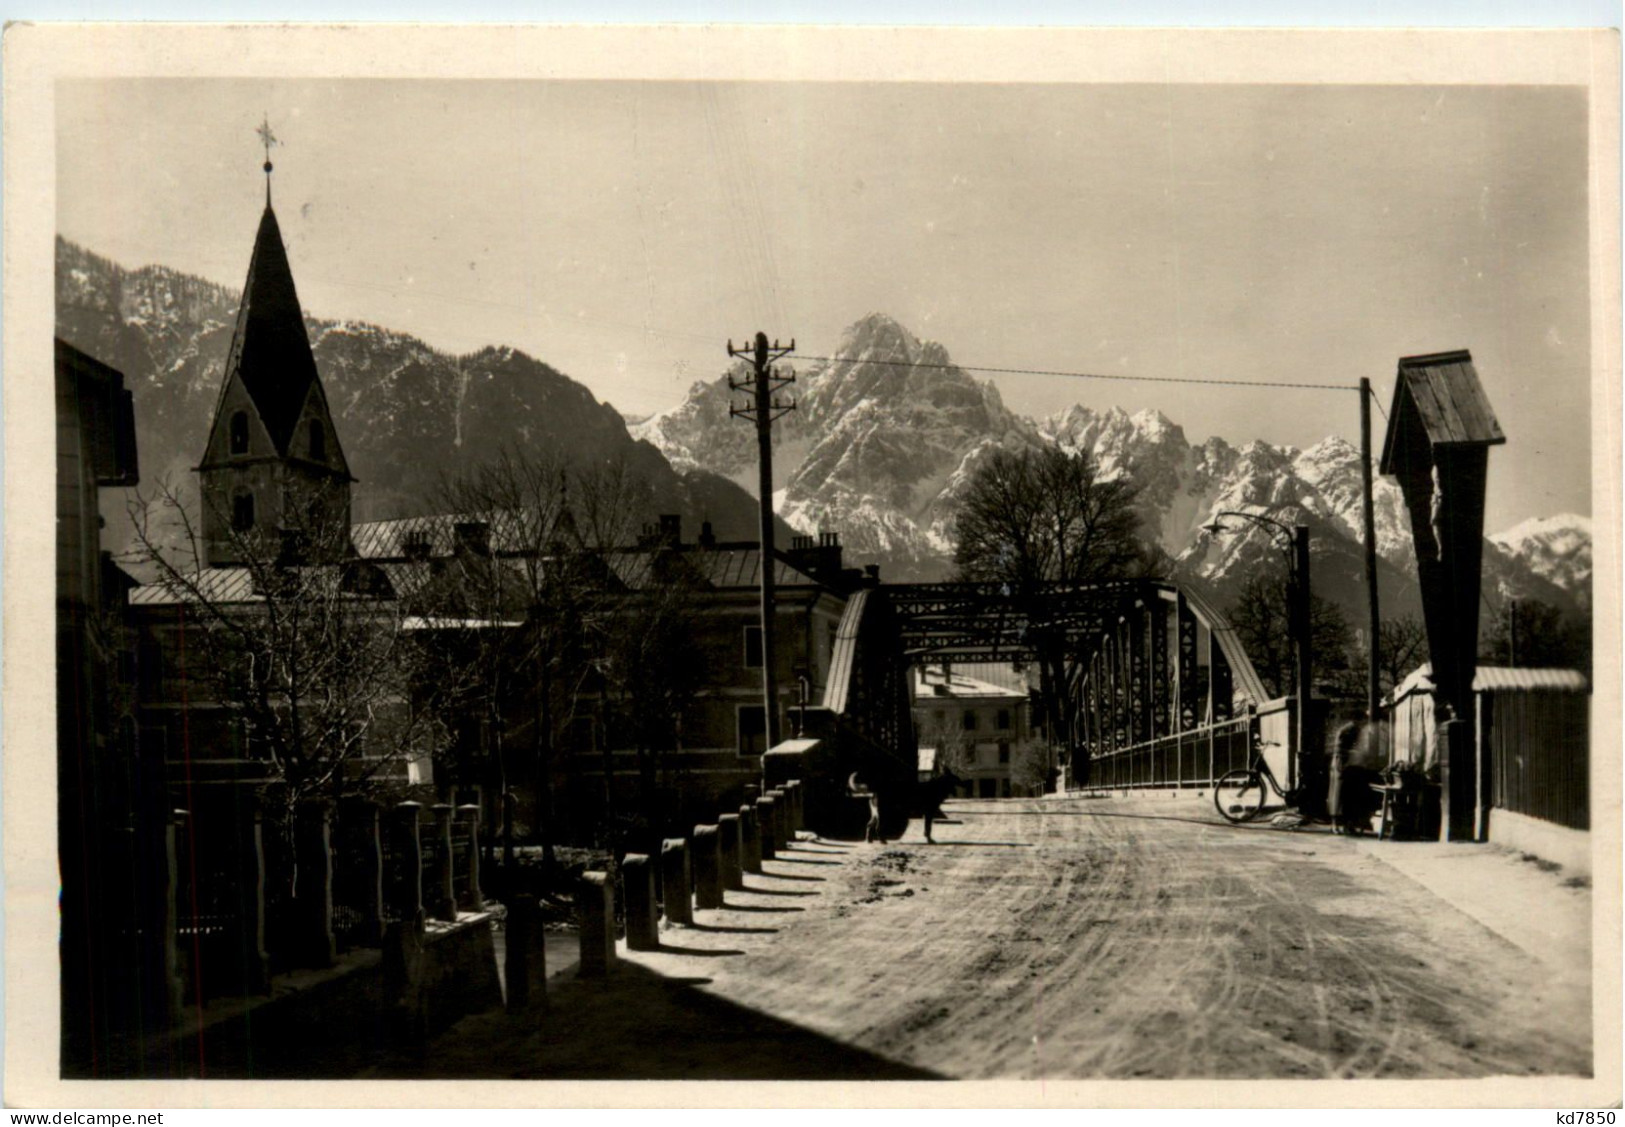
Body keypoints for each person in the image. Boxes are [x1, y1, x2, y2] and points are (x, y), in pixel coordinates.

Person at [1328, 722, 1360, 834]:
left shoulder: (1351, 730)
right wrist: (1352, 752)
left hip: (1347, 764)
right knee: (1337, 794)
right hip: (1340, 763)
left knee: (1348, 795)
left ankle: (1347, 825)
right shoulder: (1345, 731)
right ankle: (1335, 824)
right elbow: (1339, 750)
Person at [848, 772, 884, 844]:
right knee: (873, 825)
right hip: (875, 812)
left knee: (875, 825)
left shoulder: (873, 795)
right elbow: (863, 795)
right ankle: (874, 839)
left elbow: (862, 795)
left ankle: (876, 839)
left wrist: (854, 795)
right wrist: (854, 795)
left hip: (876, 812)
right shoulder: (873, 795)